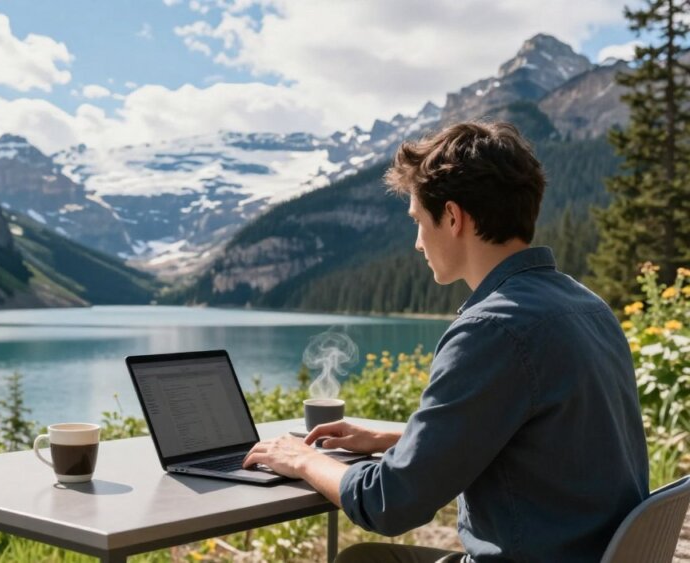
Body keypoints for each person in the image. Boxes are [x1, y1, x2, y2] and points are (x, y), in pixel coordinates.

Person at [242, 121, 649, 562]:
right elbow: (534, 434)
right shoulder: (586, 305)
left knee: (363, 559)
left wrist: (301, 460)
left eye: (418, 221)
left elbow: (390, 503)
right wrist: (391, 438)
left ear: (453, 218)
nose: (417, 243)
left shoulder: (491, 329)